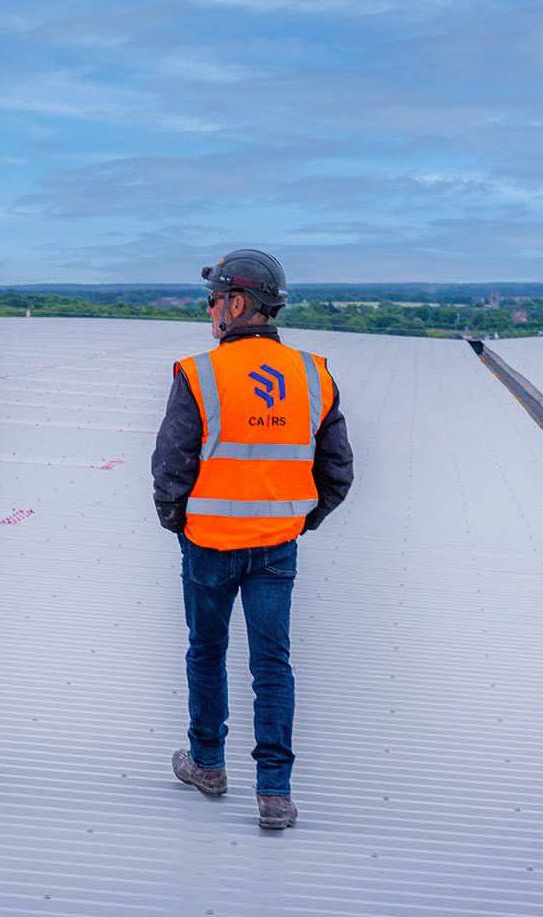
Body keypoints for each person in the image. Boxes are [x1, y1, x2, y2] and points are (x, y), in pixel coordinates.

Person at [151, 248, 353, 830]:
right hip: (275, 548)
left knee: (206, 653)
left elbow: (170, 468)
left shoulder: (199, 374)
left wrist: (180, 525)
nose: (209, 309)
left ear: (237, 305)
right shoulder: (315, 374)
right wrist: (296, 520)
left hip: (208, 544)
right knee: (272, 664)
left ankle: (208, 764)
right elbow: (337, 471)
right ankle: (275, 793)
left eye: (213, 298)